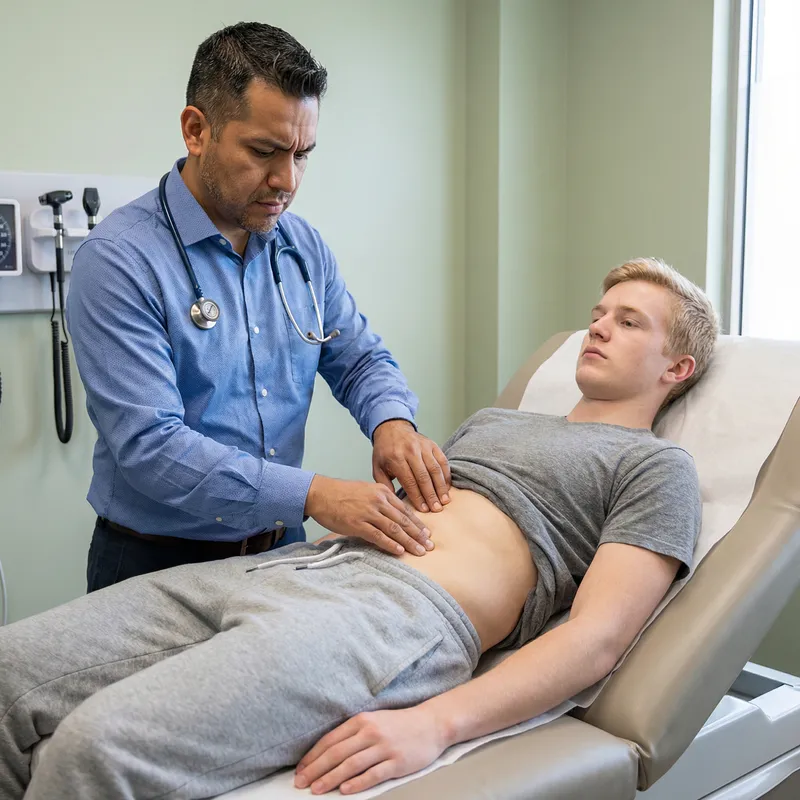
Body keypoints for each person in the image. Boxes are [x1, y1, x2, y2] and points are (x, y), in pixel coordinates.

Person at [1, 259, 719, 799]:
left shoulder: (658, 468)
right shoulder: (496, 422)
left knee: (93, 751)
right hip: (290, 566)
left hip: (393, 617)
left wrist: (436, 724)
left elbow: (596, 638)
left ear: (678, 367)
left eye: (630, 322)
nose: (599, 326)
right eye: (599, 313)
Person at [66, 22, 451, 593]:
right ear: (197, 131)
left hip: (281, 549)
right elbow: (152, 448)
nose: (286, 180)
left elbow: (359, 359)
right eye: (264, 152)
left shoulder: (301, 248)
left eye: (302, 155)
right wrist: (314, 494)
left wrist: (392, 422)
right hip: (154, 561)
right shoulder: (119, 260)